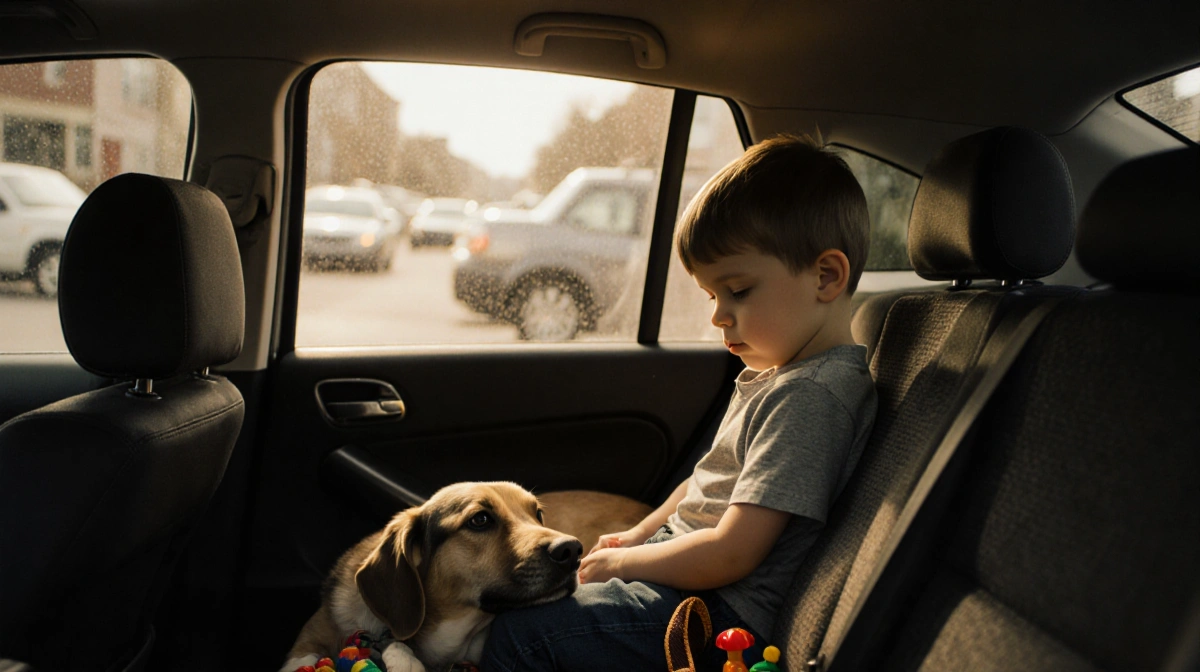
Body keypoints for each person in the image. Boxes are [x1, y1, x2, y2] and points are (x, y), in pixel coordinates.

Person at [480, 135, 879, 672]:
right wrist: (640, 535)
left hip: (714, 617)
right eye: (713, 296)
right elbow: (705, 480)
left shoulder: (808, 398)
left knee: (520, 637)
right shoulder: (780, 376)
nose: (718, 316)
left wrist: (625, 562)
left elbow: (732, 552)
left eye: (737, 291)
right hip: (691, 583)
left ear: (826, 277)